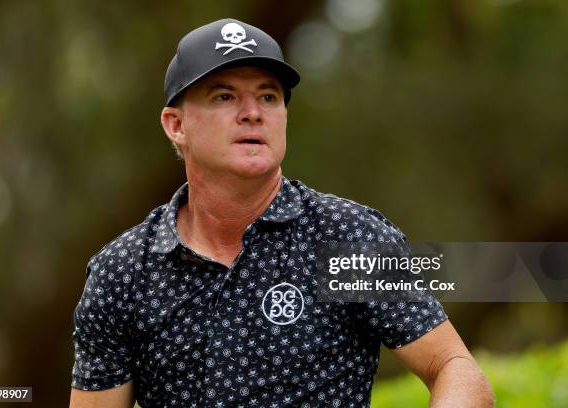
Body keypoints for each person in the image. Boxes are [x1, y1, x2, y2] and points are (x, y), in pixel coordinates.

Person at [69, 18, 494, 408]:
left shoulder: (348, 236)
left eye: (268, 96)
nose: (252, 112)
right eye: (224, 96)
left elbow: (455, 369)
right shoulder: (122, 274)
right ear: (176, 124)